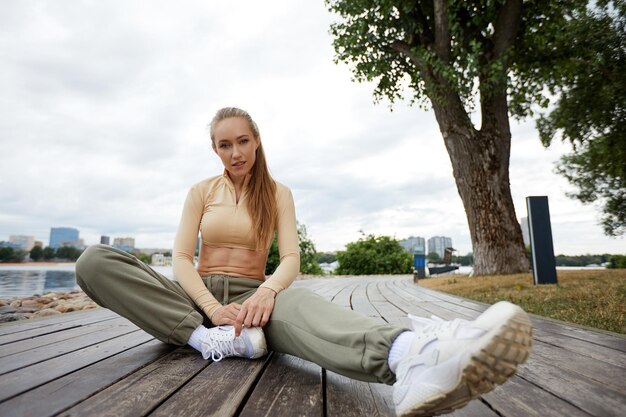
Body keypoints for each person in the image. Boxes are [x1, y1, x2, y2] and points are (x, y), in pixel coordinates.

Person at [75, 107, 533, 417]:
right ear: (214, 149)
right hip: (193, 301)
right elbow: (179, 257)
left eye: (242, 141)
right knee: (94, 260)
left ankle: (411, 357)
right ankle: (206, 341)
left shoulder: (278, 194)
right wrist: (212, 314)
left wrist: (268, 291)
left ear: (256, 141)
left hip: (253, 300)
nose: (234, 153)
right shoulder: (200, 191)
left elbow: (290, 259)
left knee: (305, 306)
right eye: (223, 145)